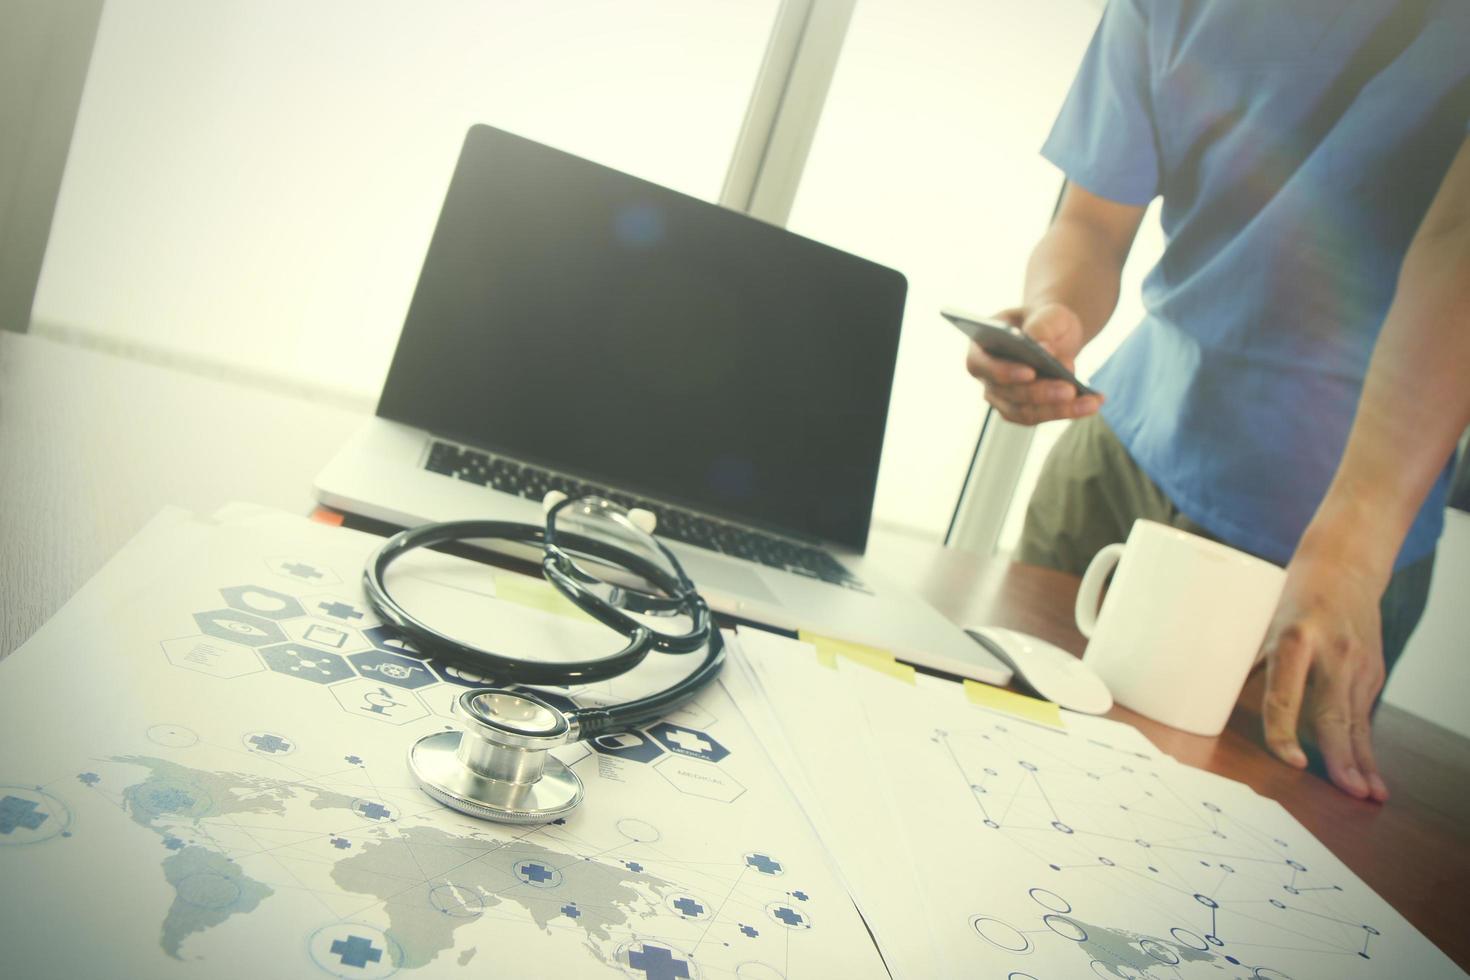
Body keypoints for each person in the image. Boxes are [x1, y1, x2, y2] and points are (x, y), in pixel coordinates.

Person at [965, 0, 1470, 801]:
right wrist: (1055, 315)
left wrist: (1350, 550)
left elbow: (1460, 251)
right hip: (1119, 450)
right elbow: (1091, 224)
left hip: (1326, 532)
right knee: (983, 756)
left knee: (1191, 858)